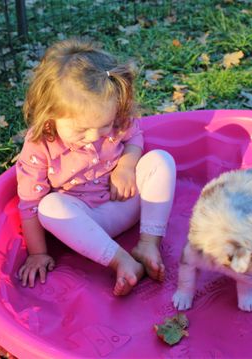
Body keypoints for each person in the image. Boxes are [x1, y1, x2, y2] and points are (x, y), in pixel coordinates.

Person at [16, 38, 176, 296]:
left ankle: (148, 243)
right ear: (50, 113)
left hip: (125, 202)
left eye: (104, 126)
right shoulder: (40, 145)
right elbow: (30, 204)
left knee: (161, 160)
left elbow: (134, 136)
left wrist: (127, 165)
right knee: (49, 207)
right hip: (84, 221)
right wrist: (38, 254)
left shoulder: (116, 118)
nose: (94, 136)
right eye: (82, 129)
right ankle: (121, 260)